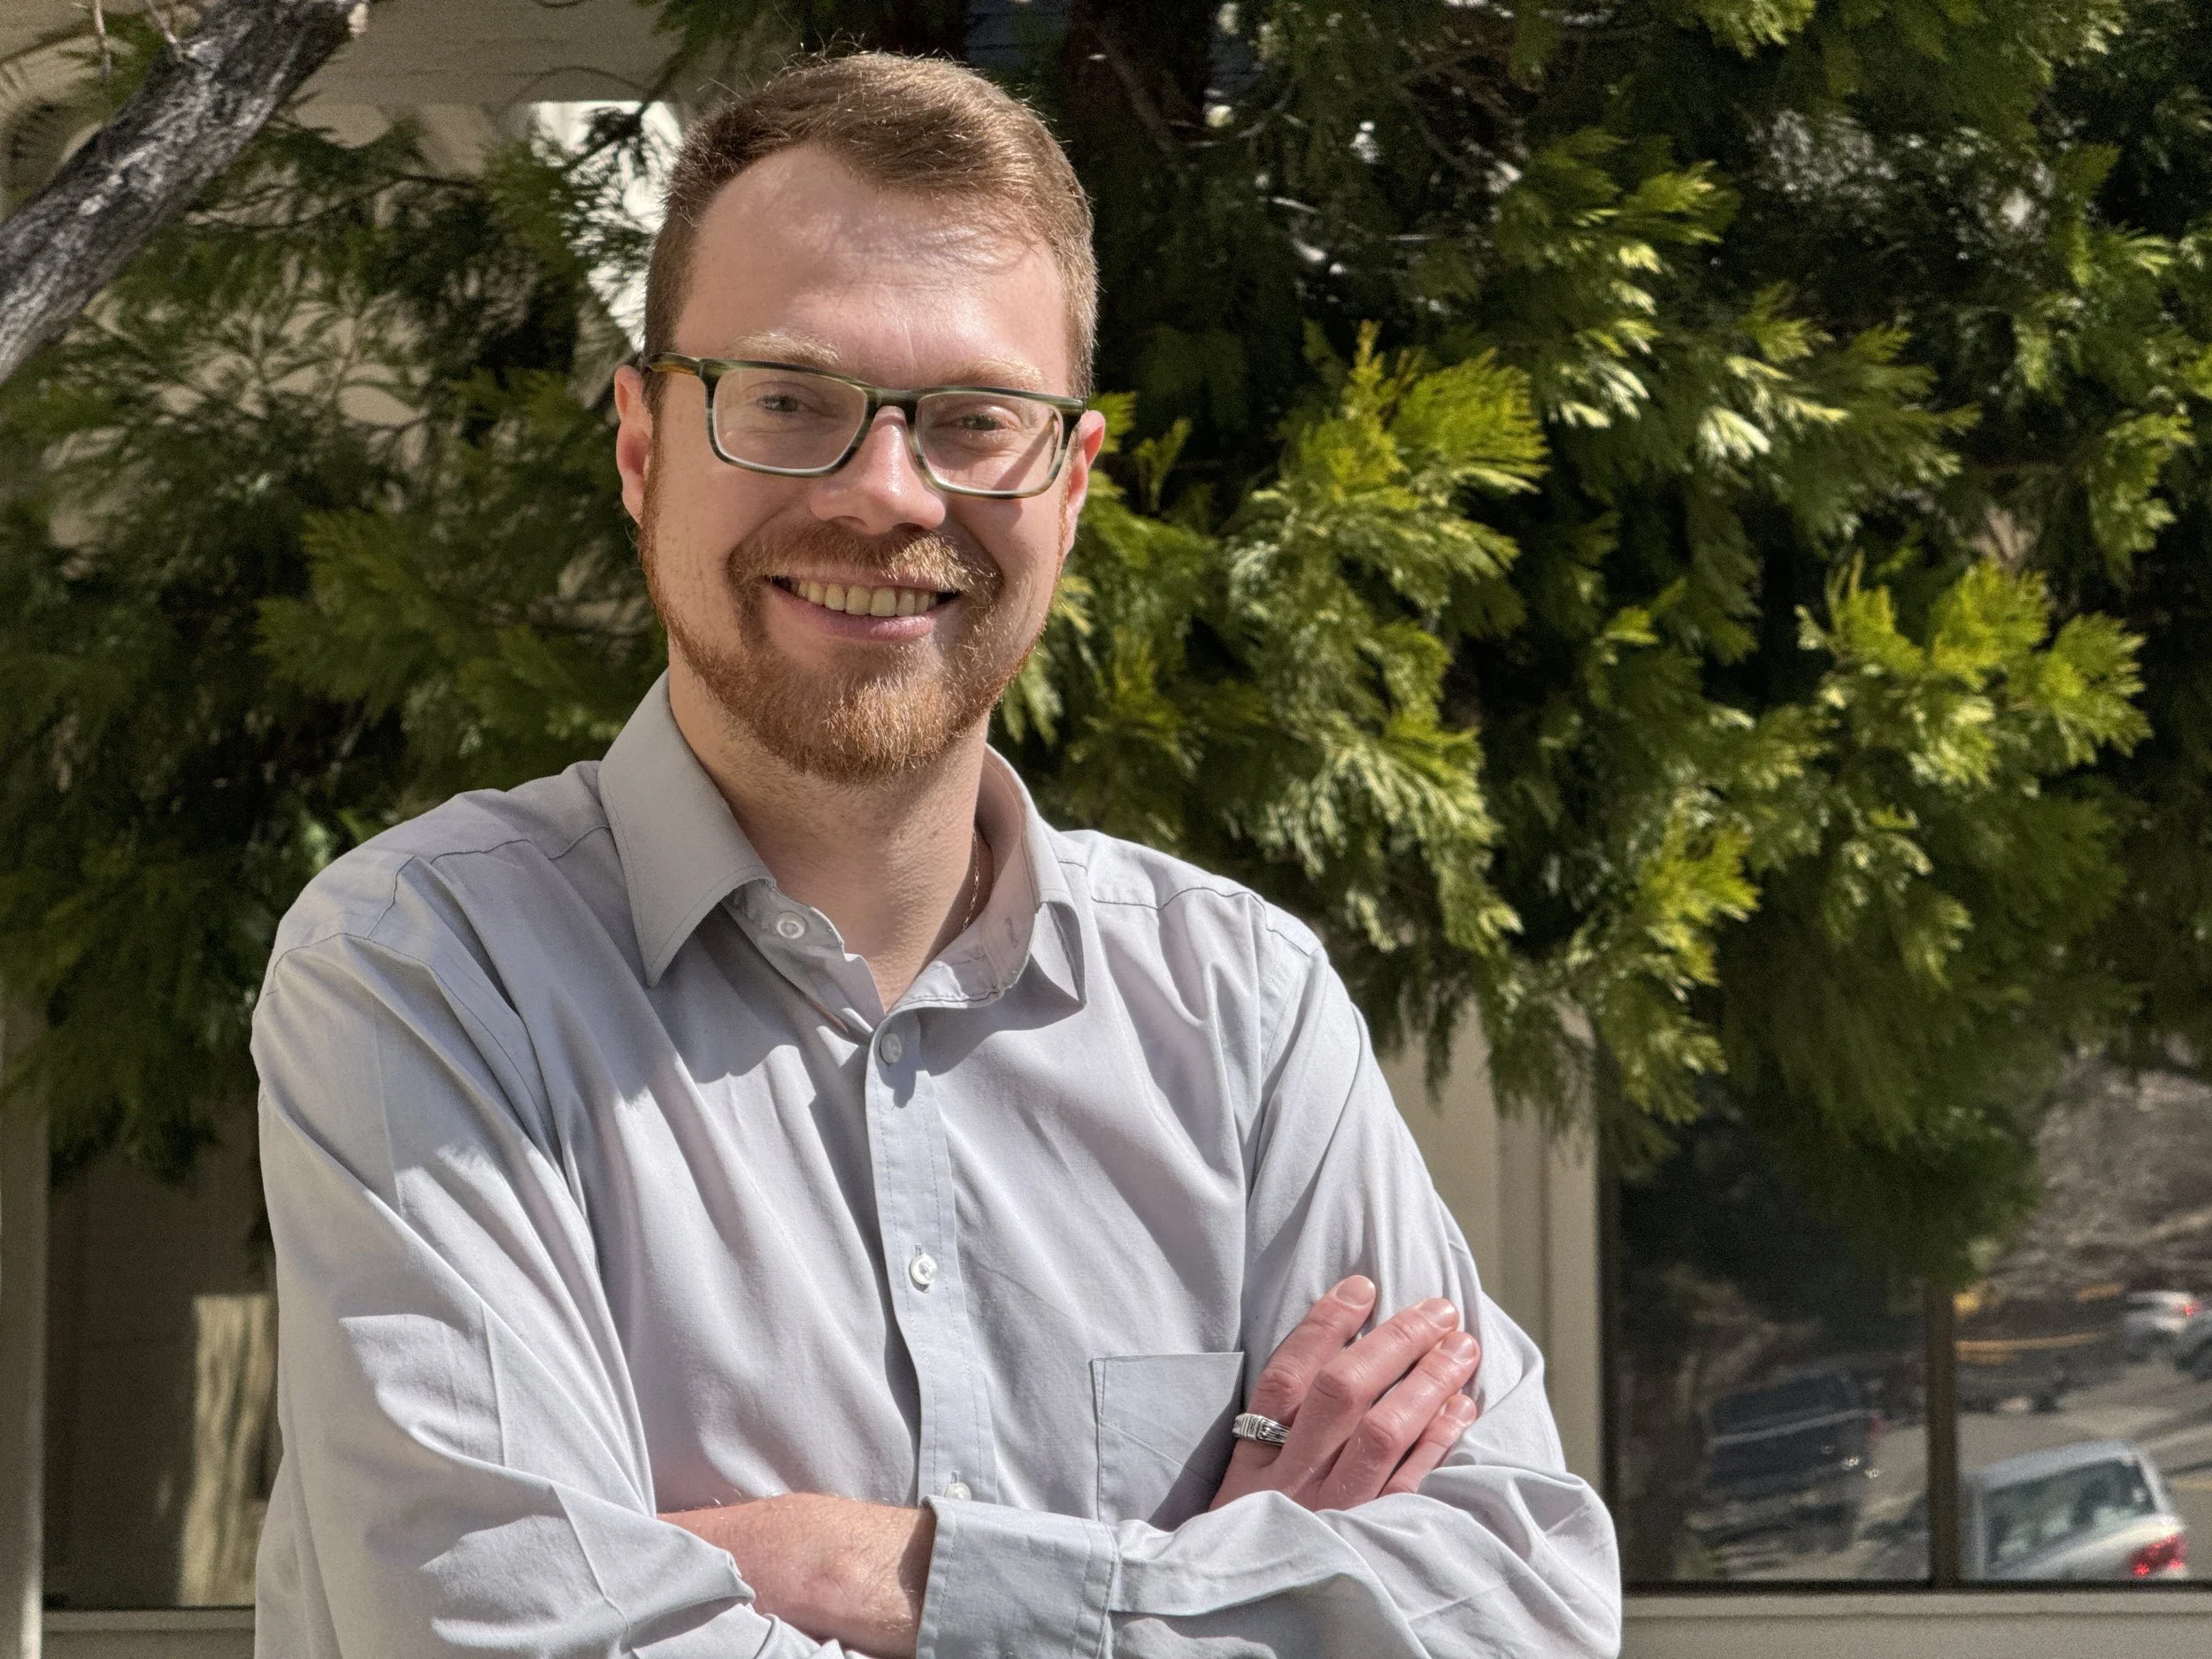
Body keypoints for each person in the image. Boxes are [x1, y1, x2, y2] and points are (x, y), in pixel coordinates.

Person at [250, 52, 1620, 1659]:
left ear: (1072, 484)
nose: (887, 491)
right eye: (787, 403)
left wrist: (884, 1574)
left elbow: (1520, 1613)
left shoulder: (1242, 1013)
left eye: (975, 420)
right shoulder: (427, 970)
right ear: (640, 448)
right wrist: (1219, 1575)